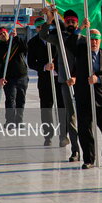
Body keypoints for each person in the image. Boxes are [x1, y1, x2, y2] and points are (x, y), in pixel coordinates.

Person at [66, 24, 102, 169]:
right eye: (91, 39)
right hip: (84, 97)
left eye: (96, 39)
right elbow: (69, 43)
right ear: (87, 40)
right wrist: (80, 28)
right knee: (84, 130)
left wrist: (98, 79)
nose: (94, 42)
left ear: (100, 41)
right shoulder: (80, 52)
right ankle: (89, 159)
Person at [39, 7, 82, 162]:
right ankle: (75, 150)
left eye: (73, 21)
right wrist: (49, 20)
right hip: (65, 82)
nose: (70, 23)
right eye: (68, 21)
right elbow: (43, 35)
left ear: (77, 24)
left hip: (81, 83)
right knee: (69, 117)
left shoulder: (82, 38)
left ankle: (89, 151)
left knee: (83, 117)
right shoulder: (59, 37)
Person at [27, 17, 62, 146]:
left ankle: (64, 134)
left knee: (62, 107)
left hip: (59, 79)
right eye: (38, 27)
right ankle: (48, 135)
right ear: (36, 29)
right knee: (46, 109)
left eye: (43, 26)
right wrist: (43, 67)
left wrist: (56, 66)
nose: (41, 29)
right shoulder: (32, 42)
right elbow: (31, 63)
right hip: (44, 80)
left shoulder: (56, 38)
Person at [0, 27, 29, 125]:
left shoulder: (16, 43)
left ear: (7, 33)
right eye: (0, 34)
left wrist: (16, 37)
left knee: (21, 100)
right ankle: (10, 121)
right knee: (10, 100)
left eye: (4, 33)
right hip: (9, 78)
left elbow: (25, 48)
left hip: (22, 76)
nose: (3, 35)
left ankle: (19, 120)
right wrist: (0, 77)